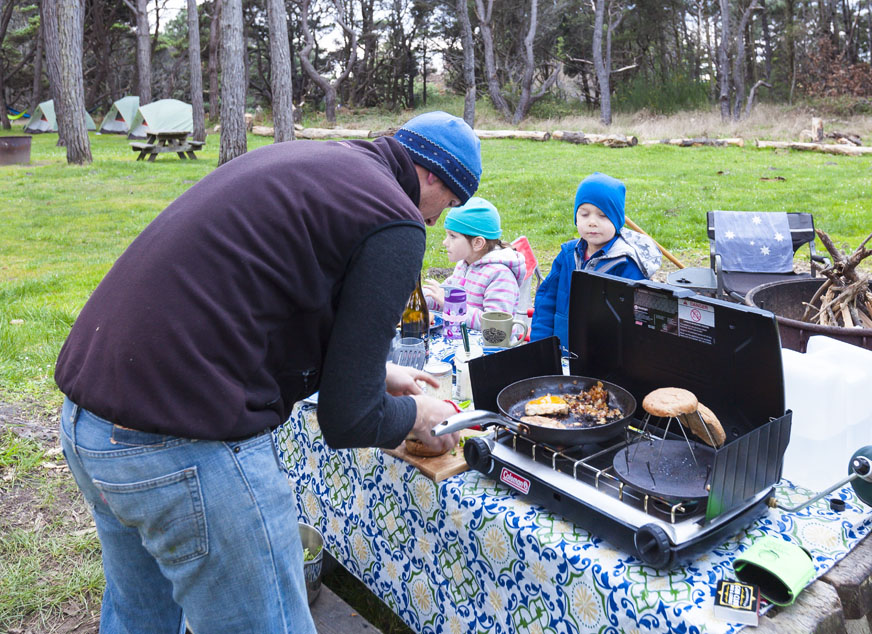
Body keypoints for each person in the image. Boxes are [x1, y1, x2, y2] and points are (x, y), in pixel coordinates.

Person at [54, 110, 481, 633]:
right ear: (432, 175)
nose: (436, 220)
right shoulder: (395, 217)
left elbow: (269, 299)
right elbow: (349, 418)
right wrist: (417, 414)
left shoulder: (320, 161)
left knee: (140, 615)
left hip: (89, 421)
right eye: (449, 202)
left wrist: (382, 372)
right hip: (182, 444)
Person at [531, 172, 660, 348]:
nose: (592, 222)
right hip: (562, 351)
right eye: (584, 214)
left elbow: (636, 324)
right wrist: (540, 348)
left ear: (617, 220)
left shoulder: (626, 264)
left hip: (604, 356)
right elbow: (546, 303)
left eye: (603, 215)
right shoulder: (567, 255)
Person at [422, 196, 526, 330]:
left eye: (452, 236)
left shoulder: (500, 275)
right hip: (461, 339)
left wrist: (451, 305)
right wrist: (414, 296)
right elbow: (441, 297)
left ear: (478, 243)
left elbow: (495, 326)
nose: (445, 242)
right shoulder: (464, 265)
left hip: (487, 343)